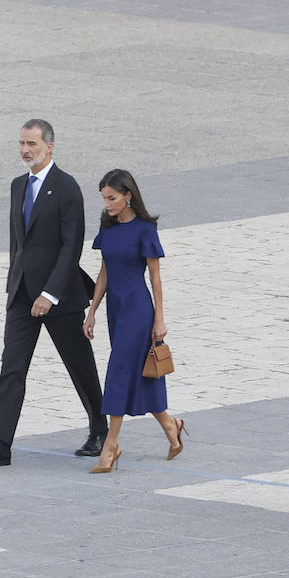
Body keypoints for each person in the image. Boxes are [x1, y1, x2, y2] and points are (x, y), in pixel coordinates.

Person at [0, 119, 107, 467]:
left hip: (59, 297)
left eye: (32, 144)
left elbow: (71, 246)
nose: (26, 150)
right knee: (11, 368)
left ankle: (101, 429)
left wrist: (51, 293)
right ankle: (0, 444)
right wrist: (15, 285)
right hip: (22, 296)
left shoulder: (66, 187)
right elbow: (19, 243)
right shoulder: (18, 186)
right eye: (22, 143)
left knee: (80, 366)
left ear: (50, 146)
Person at [82, 169, 184, 473]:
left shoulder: (144, 230)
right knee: (139, 374)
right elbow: (104, 273)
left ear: (128, 196)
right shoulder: (108, 227)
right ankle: (171, 425)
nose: (107, 204)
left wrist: (160, 319)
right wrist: (92, 311)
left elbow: (155, 278)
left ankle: (111, 445)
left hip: (139, 310)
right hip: (116, 310)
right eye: (104, 199)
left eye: (112, 198)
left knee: (118, 371)